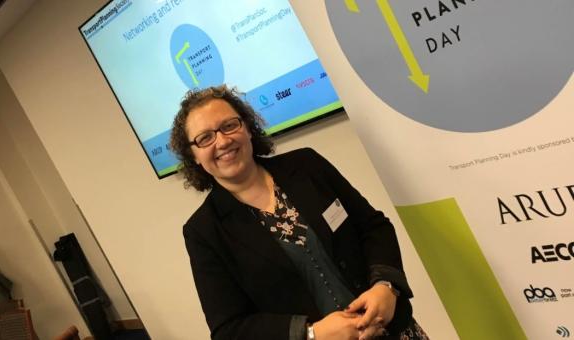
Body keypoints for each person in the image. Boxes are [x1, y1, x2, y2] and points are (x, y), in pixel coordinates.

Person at [170, 85, 429, 340]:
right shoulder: (203, 231)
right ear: (193, 156)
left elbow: (374, 227)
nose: (223, 141)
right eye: (205, 138)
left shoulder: (307, 166)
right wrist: (311, 334)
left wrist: (387, 287)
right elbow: (230, 329)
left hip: (392, 329)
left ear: (247, 127)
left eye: (229, 125)